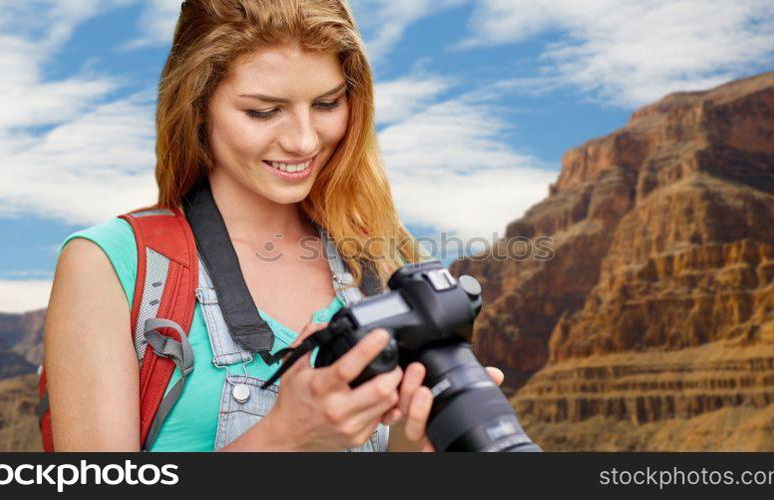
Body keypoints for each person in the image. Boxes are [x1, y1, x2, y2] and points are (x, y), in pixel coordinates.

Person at [43, 0, 501, 452]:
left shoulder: (387, 262)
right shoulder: (110, 265)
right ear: (197, 104)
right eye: (263, 111)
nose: (303, 140)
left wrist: (414, 441)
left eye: (327, 103)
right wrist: (287, 437)